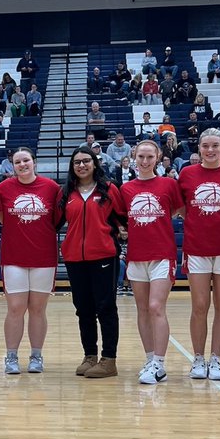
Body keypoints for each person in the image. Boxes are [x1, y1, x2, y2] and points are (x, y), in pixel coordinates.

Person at [178, 128, 220, 382]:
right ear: (199, 149)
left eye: (214, 146)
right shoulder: (186, 174)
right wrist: (198, 220)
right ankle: (198, 358)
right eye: (205, 146)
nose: (210, 150)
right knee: (199, 305)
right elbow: (181, 207)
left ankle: (216, 358)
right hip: (197, 249)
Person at [60, 146, 126, 379]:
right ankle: (90, 356)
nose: (81, 165)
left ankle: (109, 359)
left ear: (95, 164)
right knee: (83, 310)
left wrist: (119, 232)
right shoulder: (66, 192)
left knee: (106, 308)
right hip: (75, 259)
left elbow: (122, 217)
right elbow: (54, 223)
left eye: (86, 161)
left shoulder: (109, 189)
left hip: (104, 256)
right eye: (77, 162)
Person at [122, 141, 184, 385]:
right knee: (143, 310)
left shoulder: (169, 184)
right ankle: (149, 359)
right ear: (134, 157)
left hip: (162, 255)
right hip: (137, 257)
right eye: (141, 157)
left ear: (158, 158)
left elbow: (182, 212)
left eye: (149, 157)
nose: (145, 161)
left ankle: (159, 363)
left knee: (156, 306)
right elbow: (120, 220)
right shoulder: (126, 189)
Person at [0, 148, 61, 374]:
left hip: (44, 257)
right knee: (15, 308)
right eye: (17, 162)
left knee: (37, 309)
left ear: (34, 162)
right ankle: (11, 357)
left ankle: (36, 356)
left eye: (26, 160)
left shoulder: (51, 188)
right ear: (12, 165)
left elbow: (57, 220)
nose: (22, 164)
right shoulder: (3, 189)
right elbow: (0, 216)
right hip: (14, 257)